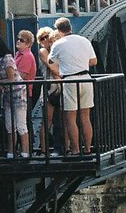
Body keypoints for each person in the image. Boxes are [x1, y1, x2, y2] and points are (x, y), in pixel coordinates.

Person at [46, 17, 97, 156]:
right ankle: (87, 149)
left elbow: (50, 61)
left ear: (58, 30)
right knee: (85, 117)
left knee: (70, 117)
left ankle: (75, 150)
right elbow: (94, 61)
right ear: (70, 27)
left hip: (69, 80)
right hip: (86, 79)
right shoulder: (84, 40)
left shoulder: (58, 44)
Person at [35, 27, 61, 156]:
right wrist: (58, 76)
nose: (45, 40)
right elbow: (53, 67)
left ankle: (62, 148)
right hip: (50, 87)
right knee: (47, 120)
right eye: (42, 38)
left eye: (47, 37)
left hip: (59, 86)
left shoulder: (57, 49)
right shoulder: (43, 51)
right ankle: (44, 150)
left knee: (62, 121)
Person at [15, 30, 38, 152]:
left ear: (28, 44)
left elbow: (22, 75)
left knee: (24, 122)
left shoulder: (27, 56)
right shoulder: (18, 55)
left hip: (23, 93)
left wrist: (7, 74)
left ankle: (27, 149)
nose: (18, 41)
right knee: (21, 121)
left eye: (22, 40)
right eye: (18, 39)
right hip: (18, 92)